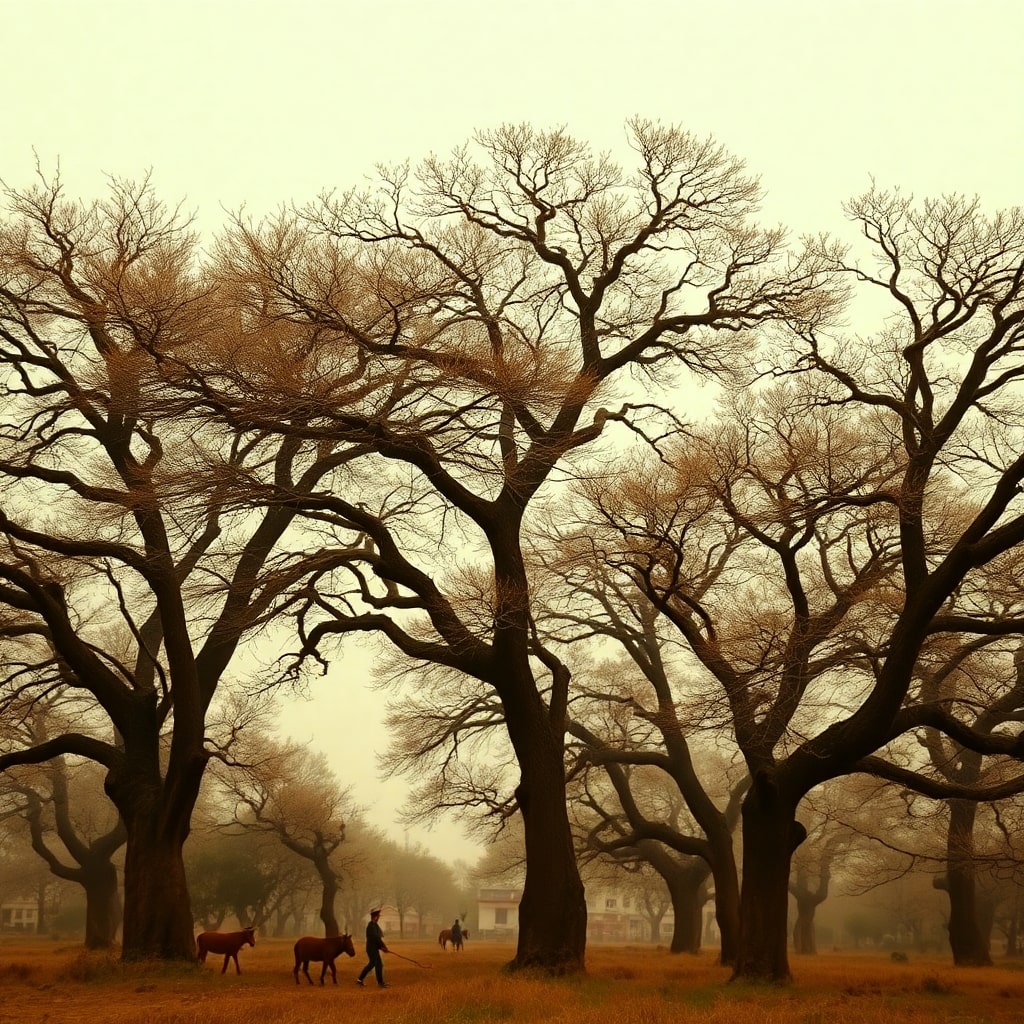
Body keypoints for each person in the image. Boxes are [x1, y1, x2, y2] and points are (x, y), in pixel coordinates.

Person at [356, 908, 389, 988]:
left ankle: (379, 982)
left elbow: (377, 939)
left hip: (373, 948)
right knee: (373, 964)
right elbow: (376, 938)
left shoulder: (374, 925)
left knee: (378, 965)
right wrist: (384, 947)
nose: (379, 917)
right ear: (375, 916)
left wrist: (382, 947)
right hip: (371, 949)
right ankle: (360, 979)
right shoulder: (371, 926)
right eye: (378, 916)